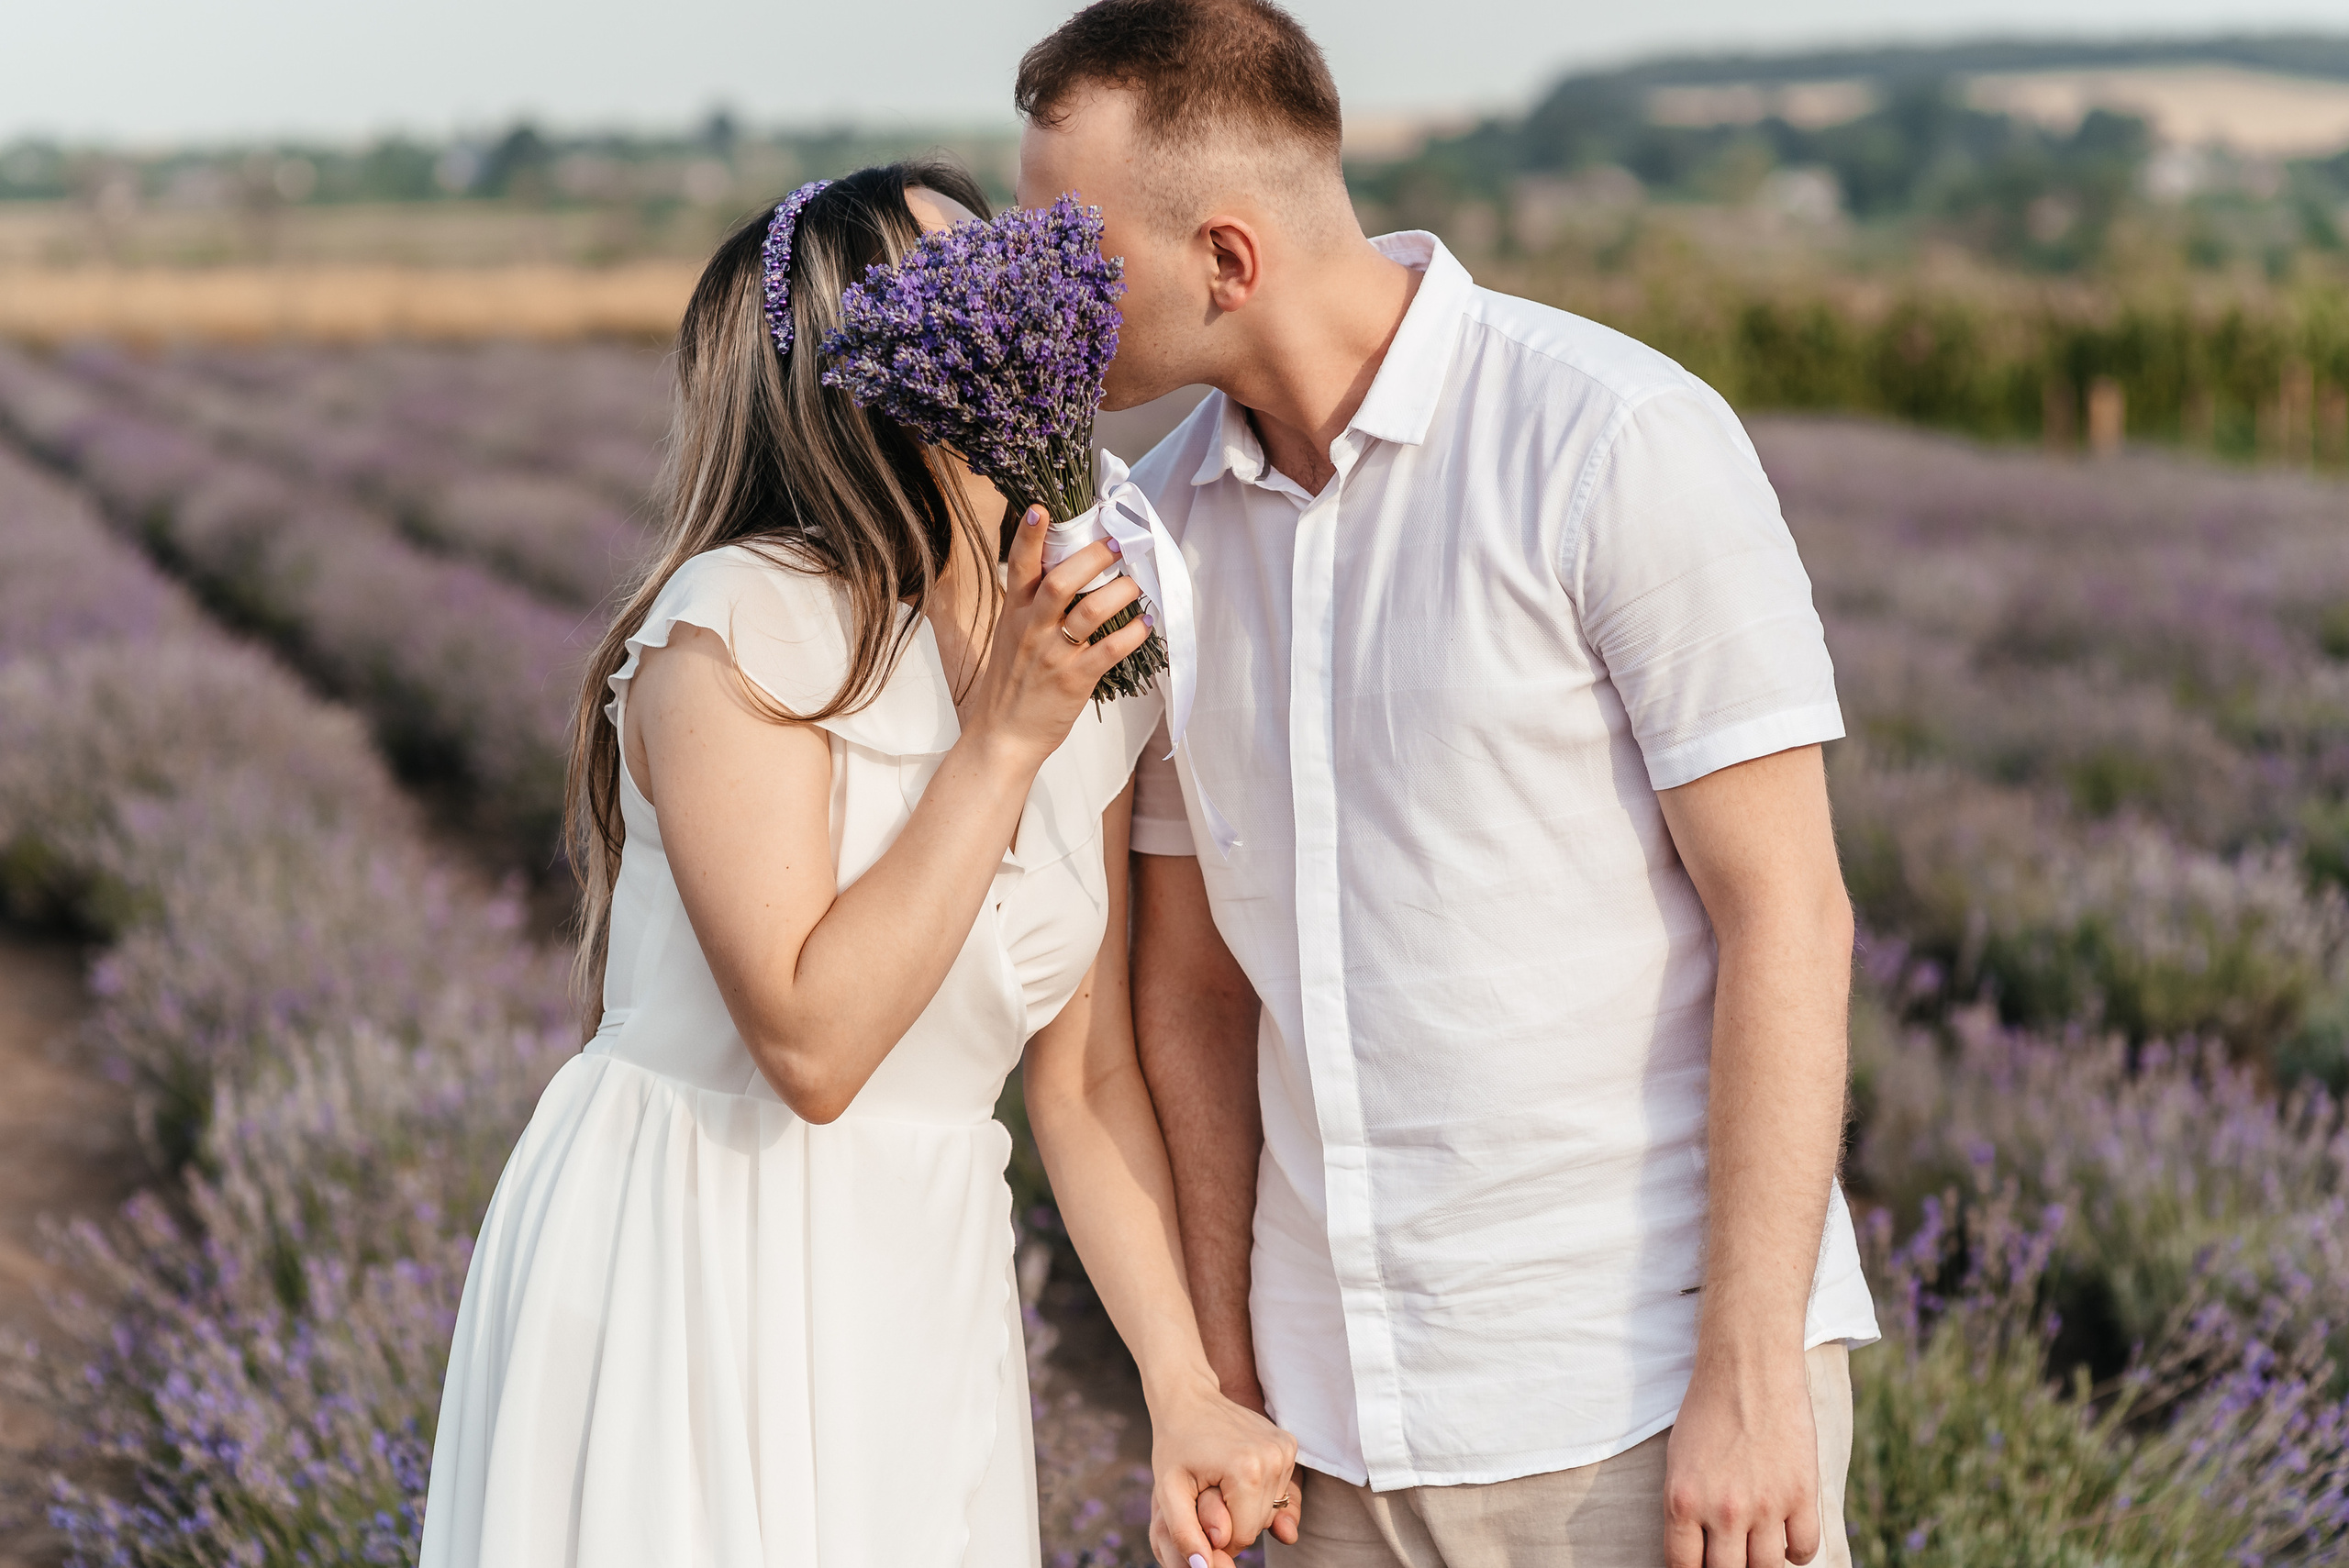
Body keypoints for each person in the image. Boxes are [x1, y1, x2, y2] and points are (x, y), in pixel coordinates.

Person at [1012, 5, 1882, 1567]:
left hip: (1639, 1403)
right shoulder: (1157, 538)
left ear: (1227, 256)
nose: (1037, 295)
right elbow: (1194, 989)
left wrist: (1753, 1380)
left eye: (1072, 252)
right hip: (1335, 1442)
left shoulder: (1613, 441)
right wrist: (1217, 1380)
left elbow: (1790, 918)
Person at [418, 157, 1295, 1568]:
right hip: (701, 1250)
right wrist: (1001, 740)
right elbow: (813, 1048)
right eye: (964, 290)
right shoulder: (734, 632)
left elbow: (1087, 1078)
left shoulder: (1075, 648)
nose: (1023, 316)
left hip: (925, 1267)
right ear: (864, 370)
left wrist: (1180, 1384)